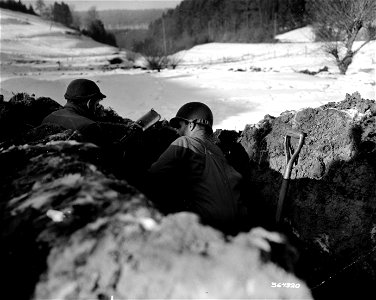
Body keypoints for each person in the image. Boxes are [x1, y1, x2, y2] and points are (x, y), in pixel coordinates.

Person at [146, 102, 246, 234]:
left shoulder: (184, 142)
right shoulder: (220, 153)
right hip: (239, 231)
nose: (177, 131)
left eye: (179, 126)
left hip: (207, 229)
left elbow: (152, 176)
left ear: (191, 125)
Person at [42, 78, 108, 145]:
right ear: (89, 103)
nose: (98, 107)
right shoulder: (89, 126)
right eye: (97, 104)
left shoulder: (48, 119)